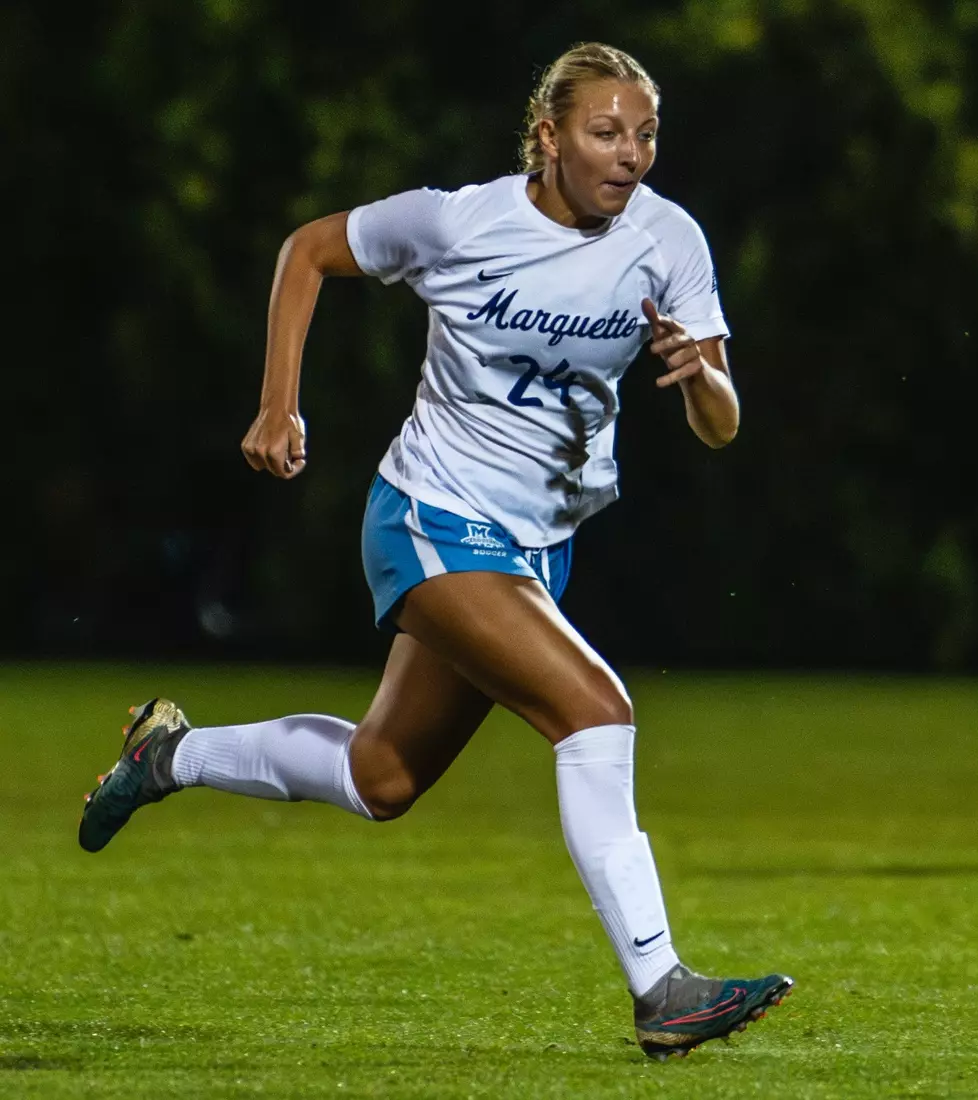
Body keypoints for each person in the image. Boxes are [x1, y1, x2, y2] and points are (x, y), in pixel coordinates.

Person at [78, 42, 792, 1059]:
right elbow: (308, 252)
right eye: (605, 132)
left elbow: (722, 421)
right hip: (432, 517)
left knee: (382, 778)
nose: (629, 154)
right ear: (548, 137)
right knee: (597, 708)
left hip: (538, 547)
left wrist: (698, 377)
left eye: (645, 134)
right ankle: (660, 985)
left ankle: (168, 752)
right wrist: (280, 403)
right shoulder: (460, 221)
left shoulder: (669, 240)